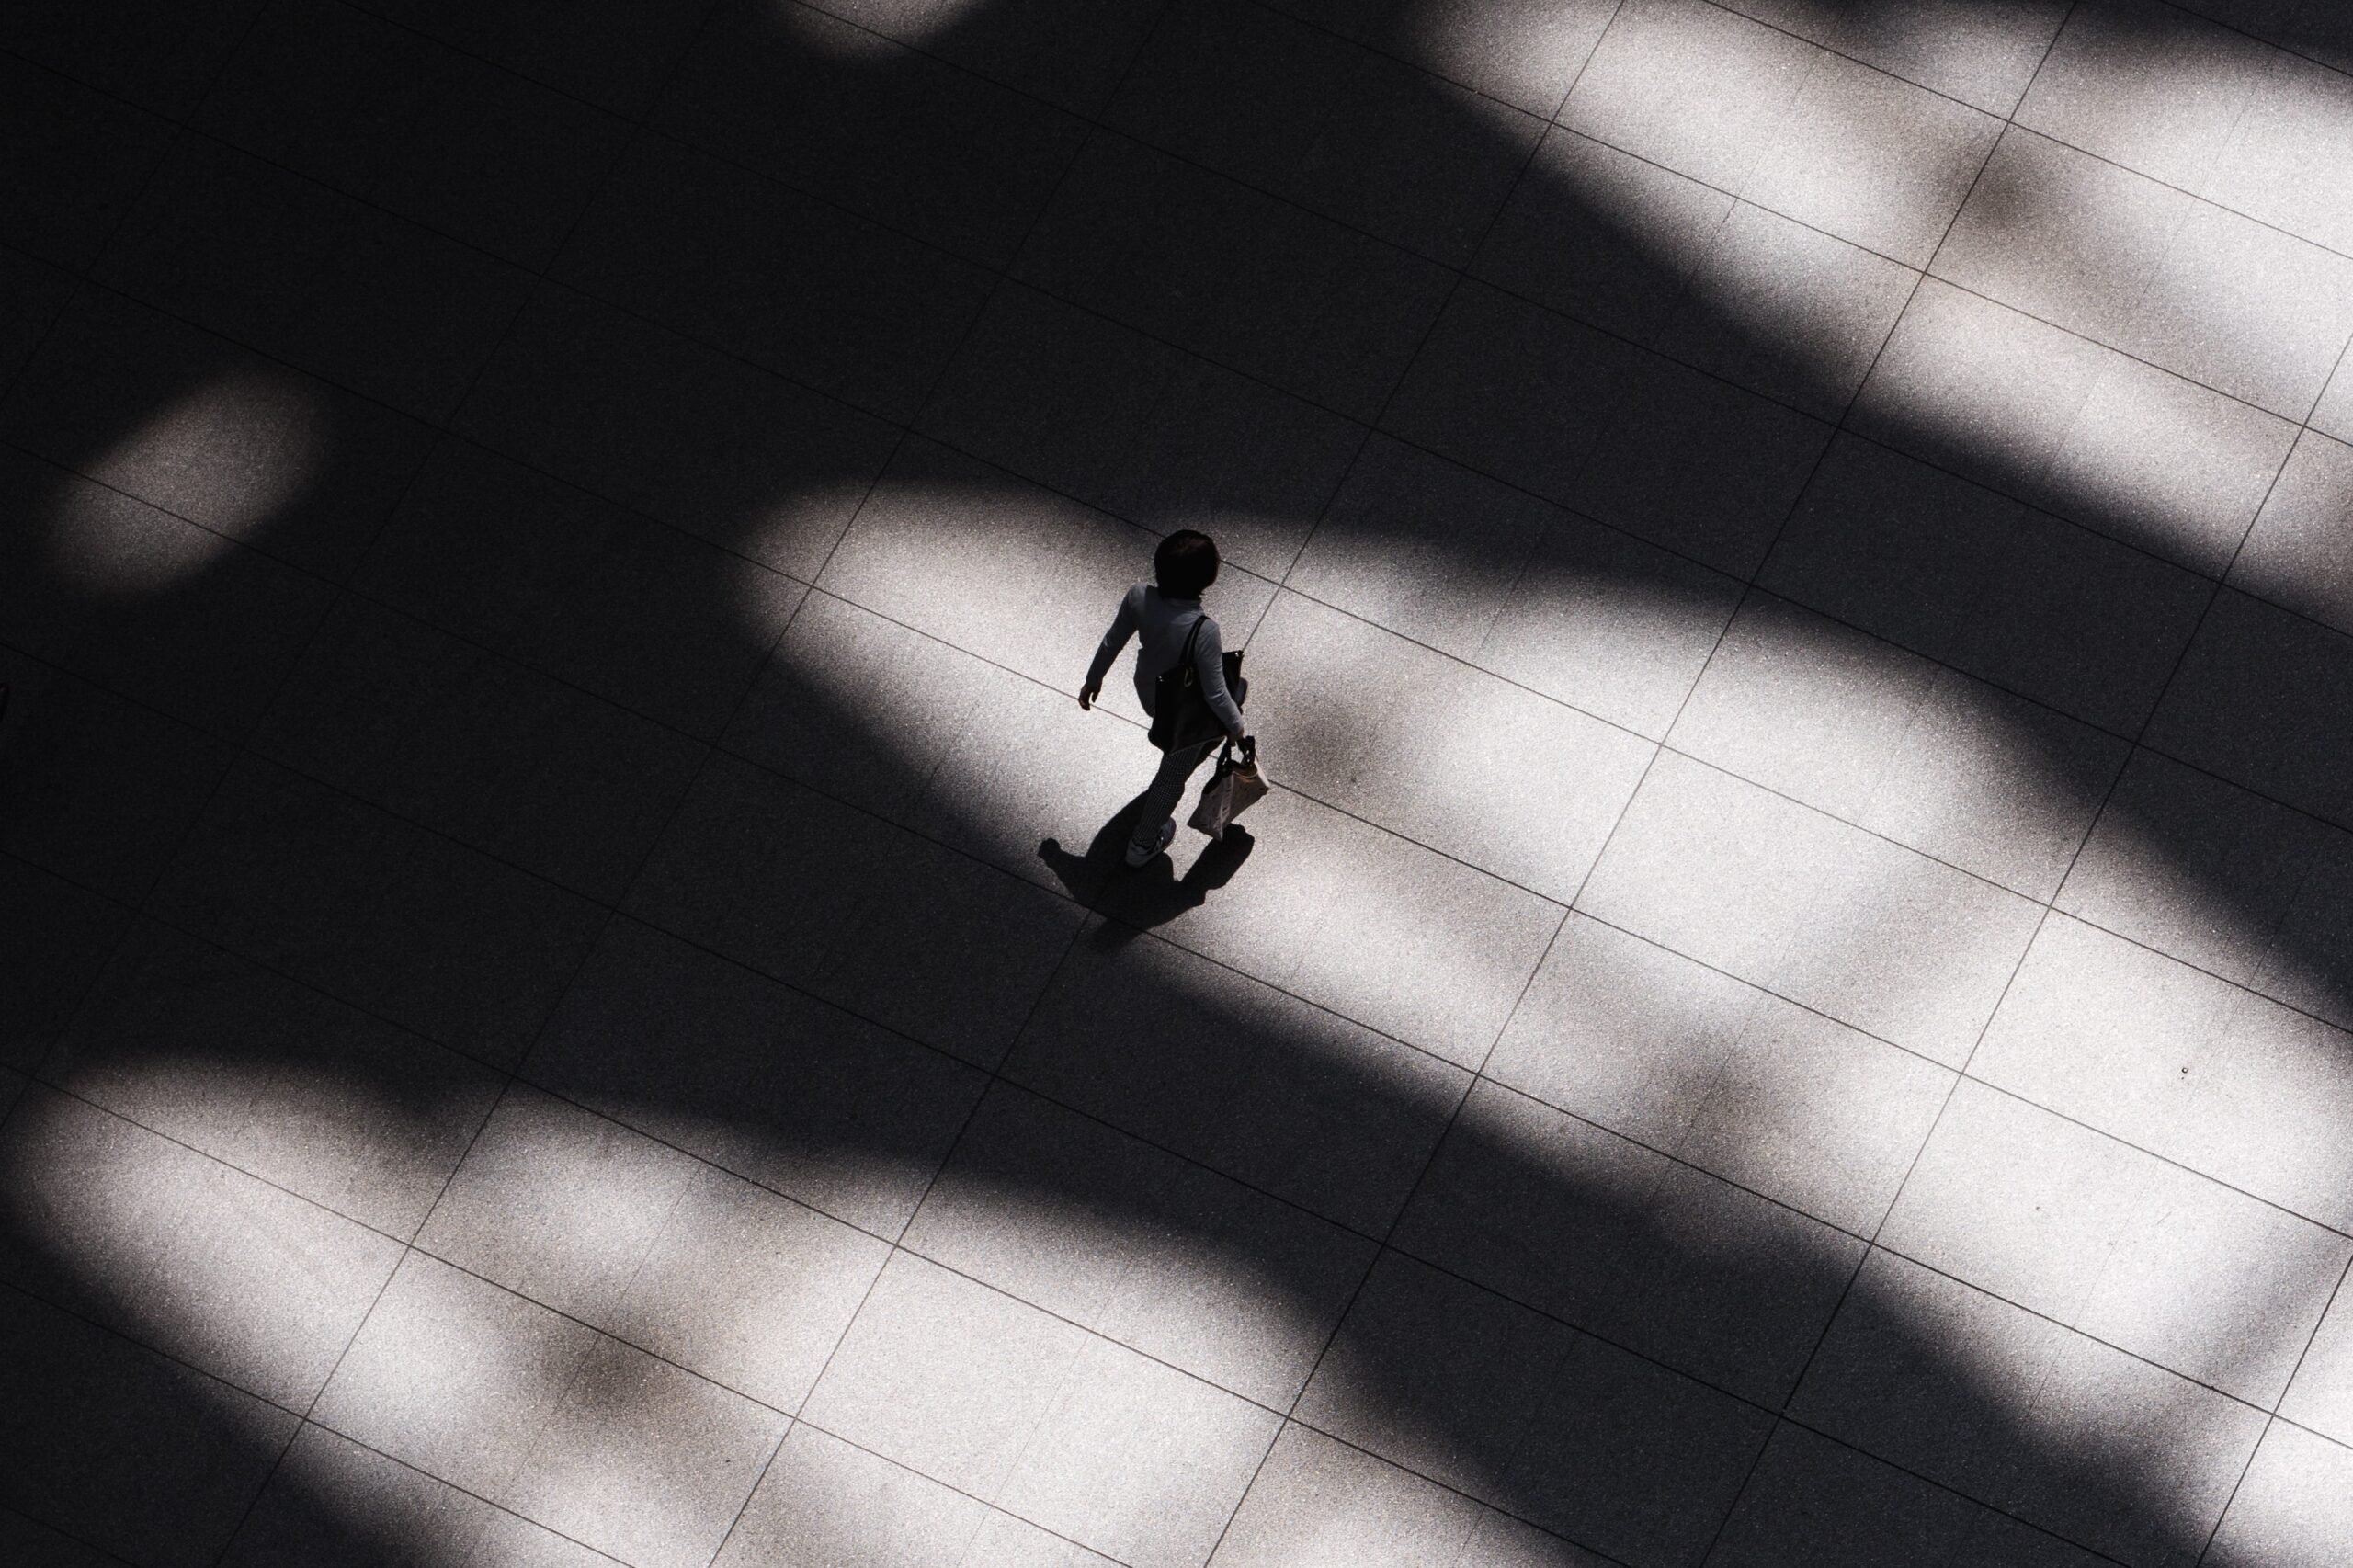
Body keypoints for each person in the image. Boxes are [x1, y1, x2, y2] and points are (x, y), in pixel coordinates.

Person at [1079, 529, 1248, 868]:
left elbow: (1112, 641)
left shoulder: (1138, 595)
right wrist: (1237, 727)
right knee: (1171, 777)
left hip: (1153, 695)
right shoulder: (1203, 629)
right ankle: (1141, 845)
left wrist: (1092, 679)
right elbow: (1215, 693)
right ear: (1207, 578)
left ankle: (1190, 754)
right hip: (1181, 715)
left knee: (1238, 688)